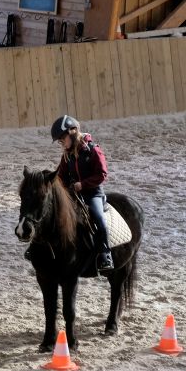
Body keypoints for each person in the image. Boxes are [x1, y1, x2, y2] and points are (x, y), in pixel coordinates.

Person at [50, 114, 114, 271]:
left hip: (93, 194)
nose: (61, 143)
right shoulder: (67, 155)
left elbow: (102, 174)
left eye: (62, 139)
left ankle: (105, 254)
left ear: (72, 132)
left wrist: (82, 184)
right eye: (59, 141)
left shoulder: (93, 150)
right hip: (74, 194)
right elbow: (61, 176)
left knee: (98, 219)